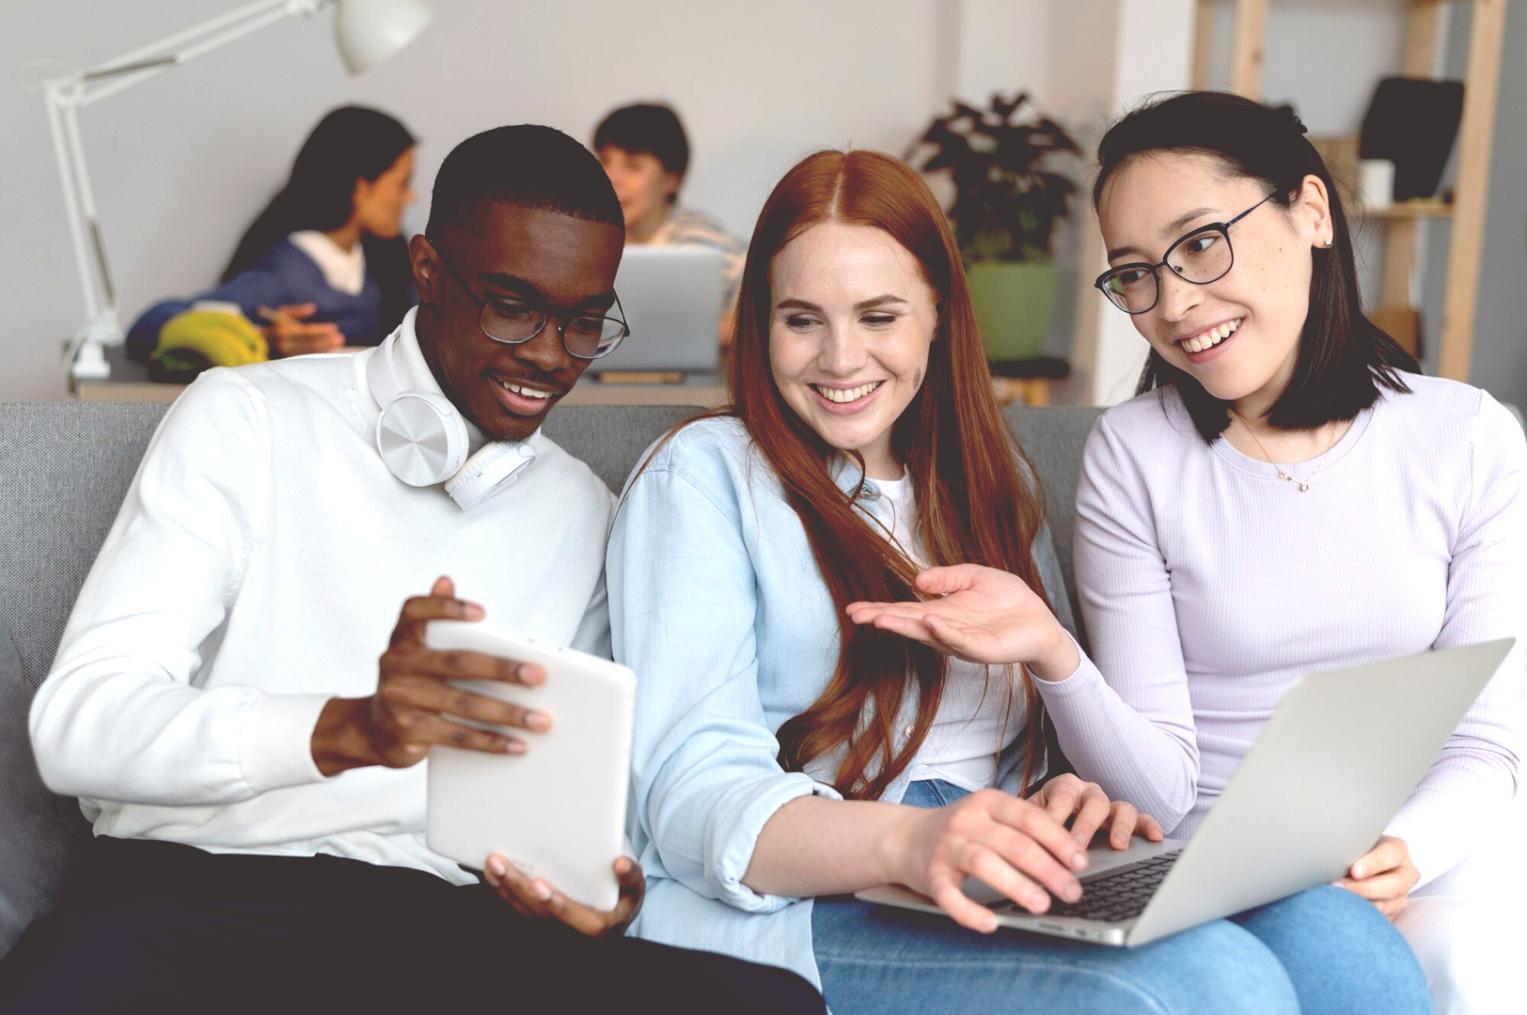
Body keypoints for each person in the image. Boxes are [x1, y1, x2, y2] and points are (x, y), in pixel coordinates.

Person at [1, 124, 822, 1014]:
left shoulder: (581, 507)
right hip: (198, 897)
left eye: (584, 322)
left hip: (448, 927)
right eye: (512, 307)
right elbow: (79, 725)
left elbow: (584, 801)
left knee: (767, 1003)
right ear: (426, 269)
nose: (551, 355)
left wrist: (605, 889)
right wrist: (346, 729)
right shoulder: (247, 419)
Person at [606, 147, 1430, 1014]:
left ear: (937, 314)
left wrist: (1059, 791)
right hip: (810, 900)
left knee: (1343, 942)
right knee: (1211, 982)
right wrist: (910, 838)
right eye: (801, 319)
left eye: (879, 315)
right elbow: (688, 792)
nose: (839, 358)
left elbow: (1030, 745)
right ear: (759, 322)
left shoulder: (988, 482)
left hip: (997, 860)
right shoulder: (703, 476)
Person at [853, 91, 1525, 1014]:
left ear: (1311, 211)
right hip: (1223, 873)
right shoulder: (1135, 455)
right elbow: (1158, 788)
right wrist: (1054, 651)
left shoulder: (1466, 437)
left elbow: (1487, 740)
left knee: (1473, 961)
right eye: (1134, 274)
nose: (1173, 304)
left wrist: (1400, 851)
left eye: (1200, 243)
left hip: (1429, 849)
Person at [126, 105, 420, 366]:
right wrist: (259, 339)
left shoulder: (384, 264)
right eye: (402, 183)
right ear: (360, 188)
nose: (411, 197)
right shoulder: (286, 274)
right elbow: (148, 327)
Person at [593, 102, 745, 346]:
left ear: (671, 180)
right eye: (604, 161)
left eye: (633, 166)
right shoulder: (583, 243)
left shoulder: (710, 244)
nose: (611, 179)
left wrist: (719, 331)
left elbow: (762, 320)